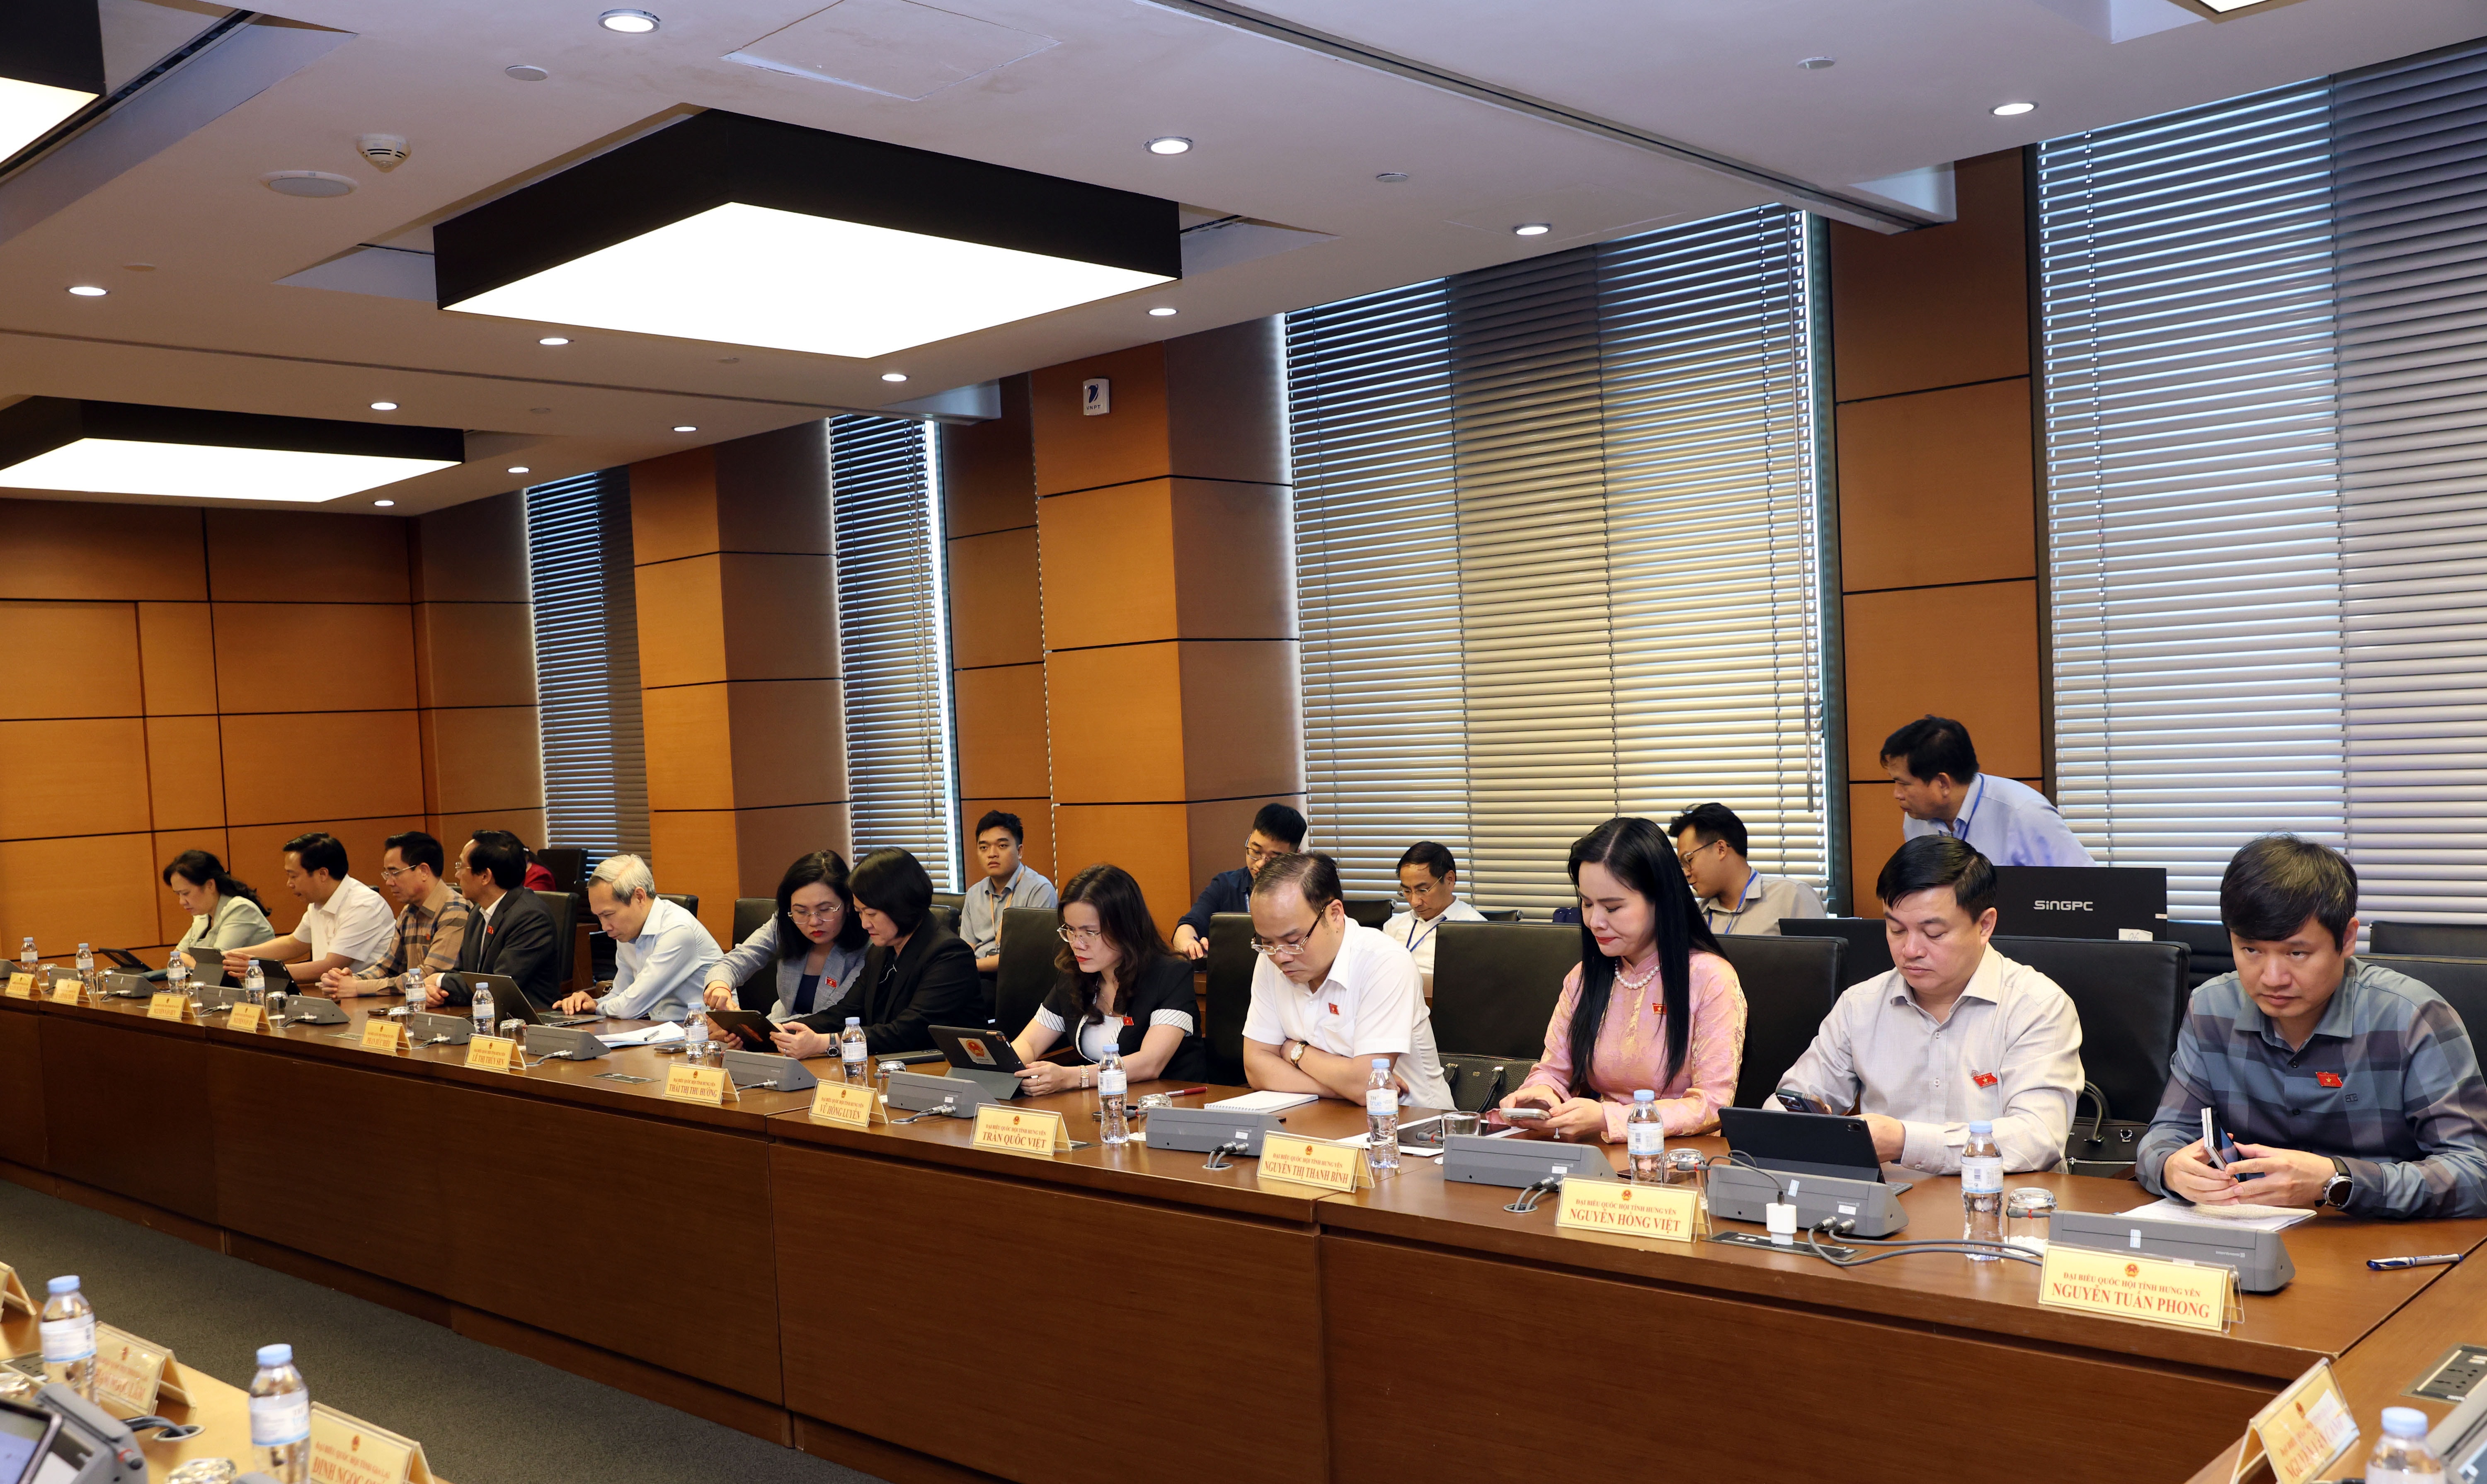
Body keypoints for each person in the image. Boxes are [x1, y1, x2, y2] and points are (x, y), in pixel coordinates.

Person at [2138, 836, 2487, 1220]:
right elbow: (2165, 1135)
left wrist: (2338, 1181)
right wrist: (2171, 1168)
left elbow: (2476, 1174)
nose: (2272, 978)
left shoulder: (2411, 1017)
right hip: (2250, 1228)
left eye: (2297, 953)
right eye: (2251, 950)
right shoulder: (2211, 1008)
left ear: (2347, 939)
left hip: (2381, 1236)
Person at [1773, 836, 2084, 1173]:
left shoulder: (2037, 1006)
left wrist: (1906, 1142)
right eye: (1896, 930)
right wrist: (1785, 1122)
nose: (1910, 951)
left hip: (2000, 1199)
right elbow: (1792, 1100)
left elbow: (2038, 1137)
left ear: (1984, 925)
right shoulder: (1860, 1005)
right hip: (1890, 1200)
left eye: (1933, 934)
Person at [1500, 818, 1747, 1142]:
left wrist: (1608, 1118)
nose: (1595, 922)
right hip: (1599, 1151)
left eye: (1613, 908)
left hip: (1680, 1157)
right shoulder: (1584, 978)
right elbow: (1553, 1071)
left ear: (1660, 899)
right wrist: (1541, 1094)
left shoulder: (1710, 979)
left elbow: (1713, 1104)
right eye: (1587, 904)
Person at [1241, 851, 1455, 1109]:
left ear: (1334, 914)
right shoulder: (1270, 958)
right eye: (1266, 942)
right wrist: (1346, 1090)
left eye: (1294, 941)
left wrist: (1294, 1051)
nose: (1280, 957)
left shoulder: (1385, 962)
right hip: (1325, 1113)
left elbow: (1365, 1082)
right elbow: (1256, 1068)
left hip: (1413, 1120)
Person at [1008, 863, 1207, 1091]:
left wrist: (1071, 1077)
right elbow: (1029, 1043)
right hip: (1100, 1101)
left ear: (1125, 928)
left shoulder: (1171, 975)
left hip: (1169, 1102)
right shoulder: (1075, 974)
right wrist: (1005, 1068)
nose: (1077, 944)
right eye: (1071, 930)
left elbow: (1150, 1064)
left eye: (1090, 932)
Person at [772, 849, 982, 1058]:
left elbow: (910, 1031)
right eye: (860, 913)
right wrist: (781, 1031)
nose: (865, 924)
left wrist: (824, 1043)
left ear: (901, 906)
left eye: (871, 914)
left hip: (946, 1068)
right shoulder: (880, 952)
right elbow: (844, 1013)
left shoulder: (950, 955)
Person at [1882, 715, 2093, 868]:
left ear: (1943, 783)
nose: (1897, 794)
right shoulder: (1917, 818)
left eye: (1904, 784)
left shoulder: (2024, 812)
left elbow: (2085, 889)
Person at [701, 850, 870, 1029]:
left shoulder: (869, 946)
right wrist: (720, 986)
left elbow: (832, 1016)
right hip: (778, 1032)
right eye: (801, 911)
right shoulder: (784, 925)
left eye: (825, 910)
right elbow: (736, 960)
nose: (814, 921)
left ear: (848, 905)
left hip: (830, 1039)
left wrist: (748, 1028)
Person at [553, 855, 721, 1021]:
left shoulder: (678, 930)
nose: (605, 927)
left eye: (609, 914)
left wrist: (597, 1008)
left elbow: (630, 1007)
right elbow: (620, 994)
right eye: (599, 916)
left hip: (703, 1030)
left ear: (639, 897)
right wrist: (591, 1003)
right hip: (661, 1028)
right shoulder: (627, 932)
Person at [321, 831, 478, 1000]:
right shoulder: (408, 912)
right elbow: (386, 968)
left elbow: (430, 977)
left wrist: (358, 987)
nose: (389, 882)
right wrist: (345, 981)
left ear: (424, 871)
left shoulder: (455, 910)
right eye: (387, 874)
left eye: (395, 873)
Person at [225, 832, 396, 985]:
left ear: (323, 874)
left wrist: (259, 970)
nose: (289, 884)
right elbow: (294, 944)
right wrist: (230, 956)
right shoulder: (318, 902)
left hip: (371, 1000)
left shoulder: (363, 905)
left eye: (294, 876)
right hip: (334, 994)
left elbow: (331, 966)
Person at [432, 830, 561, 1010]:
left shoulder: (531, 917)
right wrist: (436, 991)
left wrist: (439, 980)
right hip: (482, 1014)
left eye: (461, 866)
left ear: (485, 876)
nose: (457, 875)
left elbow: (497, 987)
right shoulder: (478, 912)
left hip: (527, 1020)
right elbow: (462, 972)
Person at [1666, 803, 1827, 936]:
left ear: (1721, 849)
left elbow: (1821, 962)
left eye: (1689, 860)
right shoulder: (1695, 917)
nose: (1686, 873)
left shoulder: (1792, 897)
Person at [1173, 803, 1306, 960]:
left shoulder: (1307, 892)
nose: (1260, 864)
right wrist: (1188, 943)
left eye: (1274, 858)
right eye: (1256, 851)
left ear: (1296, 857)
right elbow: (1188, 926)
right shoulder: (1225, 886)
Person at [958, 811, 1058, 974]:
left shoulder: (1040, 890)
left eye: (1002, 846)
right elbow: (966, 948)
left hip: (1017, 976)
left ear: (1019, 851)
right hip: (976, 975)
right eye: (984, 848)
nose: (992, 854)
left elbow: (1030, 954)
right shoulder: (974, 893)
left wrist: (970, 967)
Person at [1382, 842, 1487, 980]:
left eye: (1423, 890)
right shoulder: (1393, 926)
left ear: (1450, 880)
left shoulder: (1476, 929)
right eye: (1407, 891)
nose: (1415, 902)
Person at [161, 849, 274, 972]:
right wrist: (197, 964)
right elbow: (177, 957)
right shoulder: (202, 915)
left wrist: (194, 963)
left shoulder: (240, 909)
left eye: (186, 893)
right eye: (178, 895)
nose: (182, 902)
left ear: (210, 885)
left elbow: (217, 964)